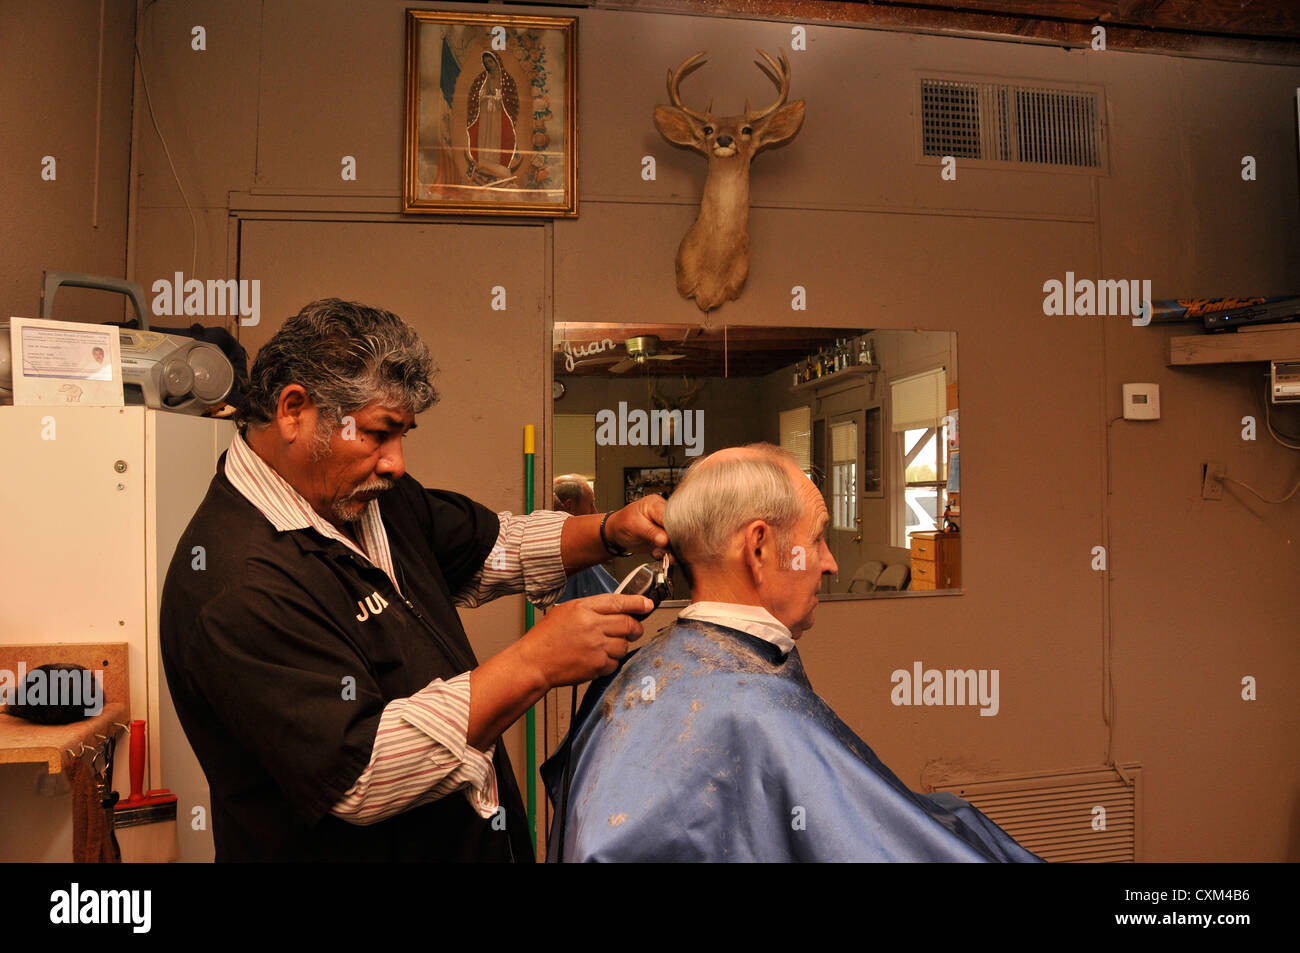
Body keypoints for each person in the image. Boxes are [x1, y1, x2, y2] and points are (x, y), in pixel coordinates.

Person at [160, 299, 667, 861]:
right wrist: (536, 663)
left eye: (403, 434)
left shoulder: (364, 497)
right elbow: (362, 774)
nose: (396, 462)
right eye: (379, 433)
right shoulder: (237, 582)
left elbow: (491, 547)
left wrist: (610, 530)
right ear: (294, 410)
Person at [542, 443, 1043, 862]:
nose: (829, 562)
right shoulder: (750, 709)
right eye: (818, 537)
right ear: (758, 549)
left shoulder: (643, 670)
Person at [553, 475, 619, 601]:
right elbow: (616, 604)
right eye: (591, 504)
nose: (595, 512)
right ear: (569, 506)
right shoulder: (575, 558)